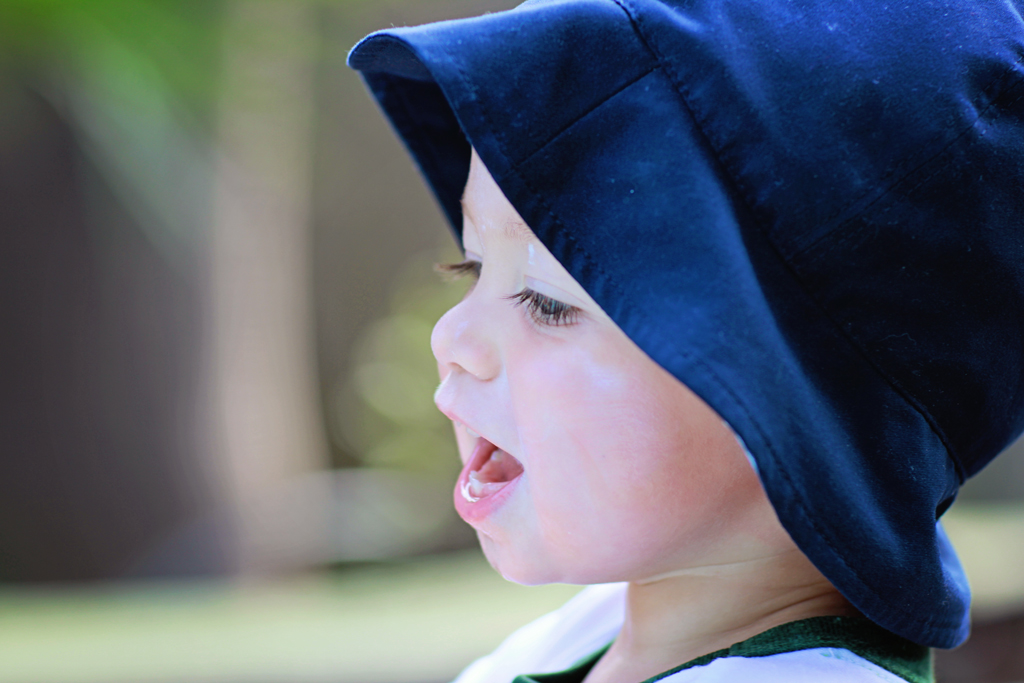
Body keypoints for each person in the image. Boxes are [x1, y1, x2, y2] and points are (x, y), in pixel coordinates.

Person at [347, 0, 1024, 680]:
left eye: (547, 298)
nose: (450, 335)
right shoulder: (585, 633)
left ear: (790, 404)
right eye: (471, 265)